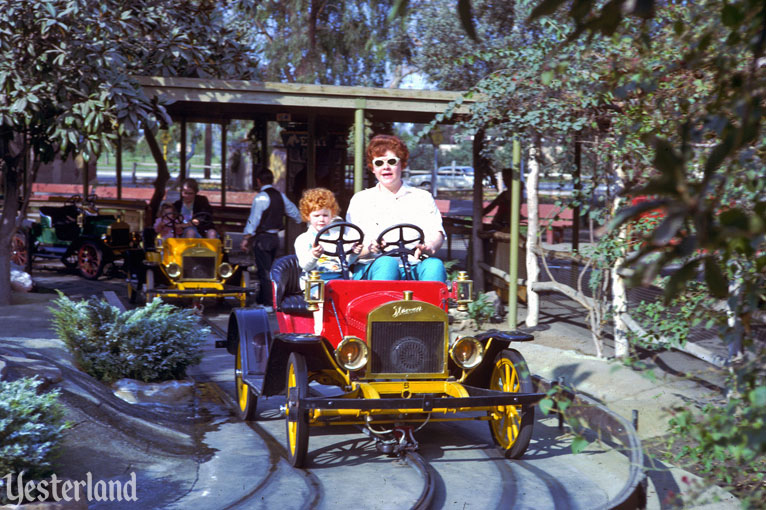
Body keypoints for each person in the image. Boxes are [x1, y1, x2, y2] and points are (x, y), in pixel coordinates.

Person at [346, 134, 447, 282]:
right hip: (373, 265)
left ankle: (430, 305)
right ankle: (381, 304)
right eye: (379, 163)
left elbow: (436, 232)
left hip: (413, 263)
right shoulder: (361, 200)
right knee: (387, 264)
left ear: (402, 164)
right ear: (373, 168)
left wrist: (430, 246)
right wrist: (368, 249)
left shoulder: (422, 197)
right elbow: (350, 248)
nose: (385, 167)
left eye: (392, 161)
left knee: (435, 266)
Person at [240, 170, 302, 307]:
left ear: (258, 181)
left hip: (262, 238)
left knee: (265, 271)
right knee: (267, 269)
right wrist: (301, 220)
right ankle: (262, 300)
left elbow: (253, 219)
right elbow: (295, 213)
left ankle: (268, 303)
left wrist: (246, 237)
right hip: (275, 238)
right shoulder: (281, 196)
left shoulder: (261, 198)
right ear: (272, 180)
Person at [294, 188, 362, 286]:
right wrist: (314, 255)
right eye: (316, 216)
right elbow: (305, 266)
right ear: (308, 216)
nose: (321, 219)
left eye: (325, 215)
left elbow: (345, 262)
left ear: (332, 215)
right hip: (315, 282)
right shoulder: (303, 239)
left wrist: (354, 253)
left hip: (340, 279)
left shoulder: (339, 237)